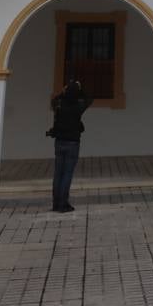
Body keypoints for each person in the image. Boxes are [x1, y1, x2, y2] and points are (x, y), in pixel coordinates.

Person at [47, 79, 92, 213]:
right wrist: (80, 87)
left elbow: (54, 99)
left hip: (59, 142)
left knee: (58, 173)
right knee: (67, 173)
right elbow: (89, 98)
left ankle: (56, 203)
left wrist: (63, 91)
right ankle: (63, 204)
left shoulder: (59, 104)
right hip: (73, 143)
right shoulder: (78, 105)